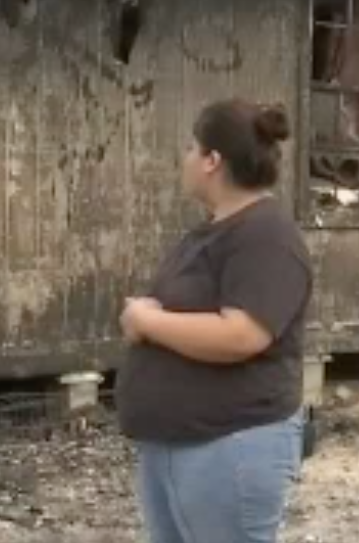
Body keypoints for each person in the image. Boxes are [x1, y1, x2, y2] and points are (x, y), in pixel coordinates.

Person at [118, 98, 314, 543]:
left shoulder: (266, 235)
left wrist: (148, 323)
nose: (184, 158)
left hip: (229, 444)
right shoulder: (216, 230)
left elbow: (242, 334)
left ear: (212, 160)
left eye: (192, 147)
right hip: (180, 441)